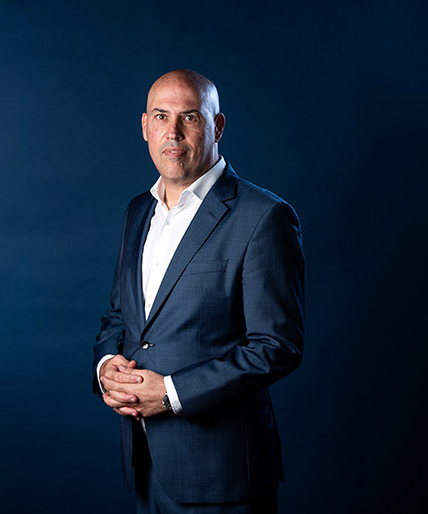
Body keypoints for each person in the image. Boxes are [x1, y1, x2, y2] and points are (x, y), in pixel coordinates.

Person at [93, 69, 305, 513]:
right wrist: (107, 366)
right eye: (161, 116)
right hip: (146, 463)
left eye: (189, 117)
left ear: (217, 126)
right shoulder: (138, 211)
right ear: (145, 126)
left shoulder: (263, 216)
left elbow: (277, 346)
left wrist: (171, 393)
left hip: (223, 476)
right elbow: (121, 316)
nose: (173, 131)